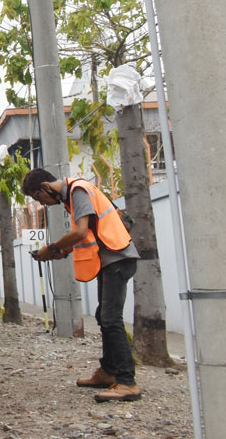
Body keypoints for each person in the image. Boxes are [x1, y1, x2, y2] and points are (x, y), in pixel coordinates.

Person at [21, 168, 141, 402]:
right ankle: (108, 372)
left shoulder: (77, 190)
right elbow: (89, 234)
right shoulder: (73, 195)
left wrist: (54, 247)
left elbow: (80, 231)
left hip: (118, 259)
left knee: (111, 319)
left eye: (38, 198)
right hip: (110, 260)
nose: (42, 204)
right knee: (103, 317)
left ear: (45, 187)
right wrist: (63, 250)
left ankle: (127, 382)